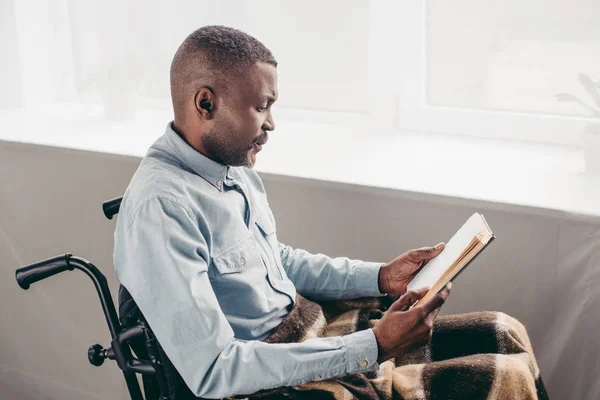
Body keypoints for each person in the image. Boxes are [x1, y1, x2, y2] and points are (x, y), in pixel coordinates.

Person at [113, 26, 542, 400]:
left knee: (505, 331)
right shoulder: (161, 209)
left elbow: (274, 261)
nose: (271, 124)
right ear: (205, 104)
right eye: (261, 107)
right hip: (266, 375)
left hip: (307, 325)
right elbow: (215, 368)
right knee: (505, 377)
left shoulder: (230, 165)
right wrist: (372, 346)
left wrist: (380, 277)